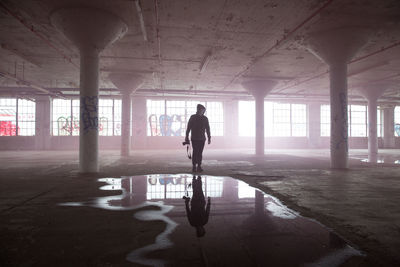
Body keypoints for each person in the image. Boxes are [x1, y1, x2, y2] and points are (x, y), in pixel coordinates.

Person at [185, 104, 211, 172]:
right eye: (201, 110)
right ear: (198, 110)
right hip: (194, 138)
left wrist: (209, 137)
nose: (202, 111)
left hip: (202, 139)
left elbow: (208, 128)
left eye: (203, 110)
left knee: (200, 153)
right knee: (195, 152)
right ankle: (194, 166)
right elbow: (188, 128)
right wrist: (186, 137)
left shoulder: (205, 119)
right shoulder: (193, 117)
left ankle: (199, 166)